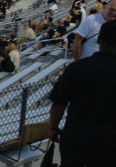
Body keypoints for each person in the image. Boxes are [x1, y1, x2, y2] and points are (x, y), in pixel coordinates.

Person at [48, 20, 116, 167]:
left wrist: (53, 128)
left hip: (76, 140)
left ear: (98, 40)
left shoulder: (77, 68)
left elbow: (58, 105)